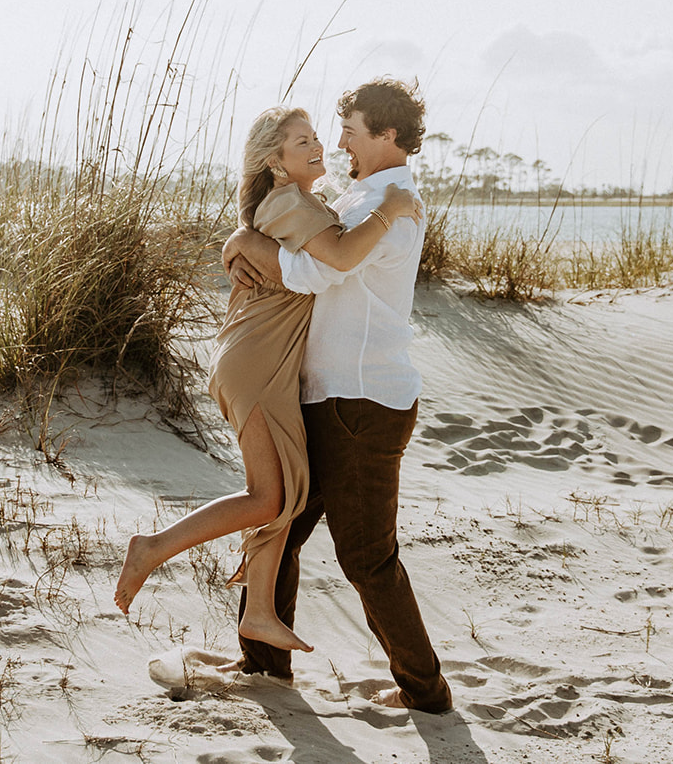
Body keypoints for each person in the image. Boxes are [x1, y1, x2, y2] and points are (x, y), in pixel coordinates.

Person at [114, 105, 419, 653]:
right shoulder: (295, 202)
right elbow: (338, 260)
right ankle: (153, 549)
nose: (323, 145)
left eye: (321, 136)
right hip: (258, 362)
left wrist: (244, 241)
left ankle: (257, 615)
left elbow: (300, 252)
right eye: (304, 141)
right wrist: (388, 210)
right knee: (269, 498)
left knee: (284, 499)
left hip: (274, 365)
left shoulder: (309, 202)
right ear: (275, 163)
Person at [221, 77, 452, 713]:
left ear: (388, 135)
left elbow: (322, 269)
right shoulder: (366, 194)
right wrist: (246, 245)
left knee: (367, 558)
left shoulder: (388, 200)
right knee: (284, 525)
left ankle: (425, 690)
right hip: (333, 399)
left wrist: (250, 245)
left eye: (350, 129)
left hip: (362, 403)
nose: (339, 140)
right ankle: (263, 665)